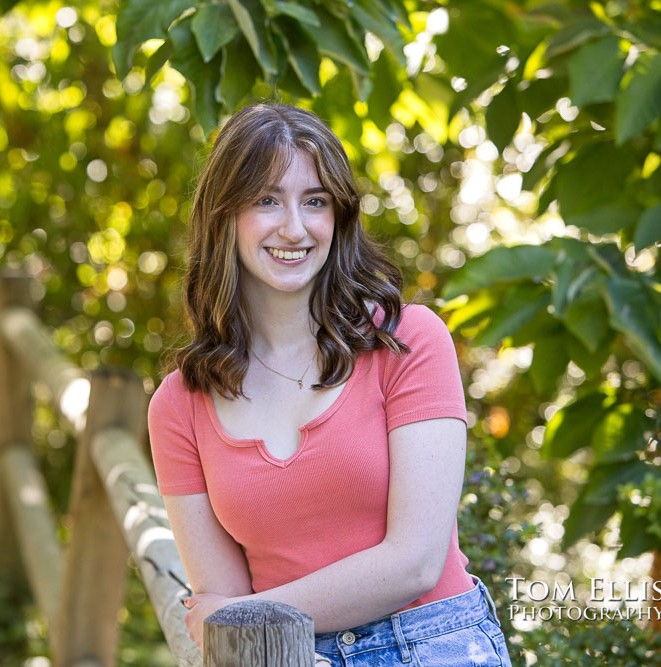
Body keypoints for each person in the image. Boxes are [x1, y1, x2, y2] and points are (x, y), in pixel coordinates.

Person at [146, 103, 513, 666]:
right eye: (267, 199)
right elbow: (224, 610)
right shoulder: (179, 406)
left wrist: (249, 618)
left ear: (339, 217)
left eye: (314, 201)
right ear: (224, 216)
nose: (294, 227)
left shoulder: (407, 342)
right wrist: (251, 626)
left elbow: (414, 562)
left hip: (434, 645)